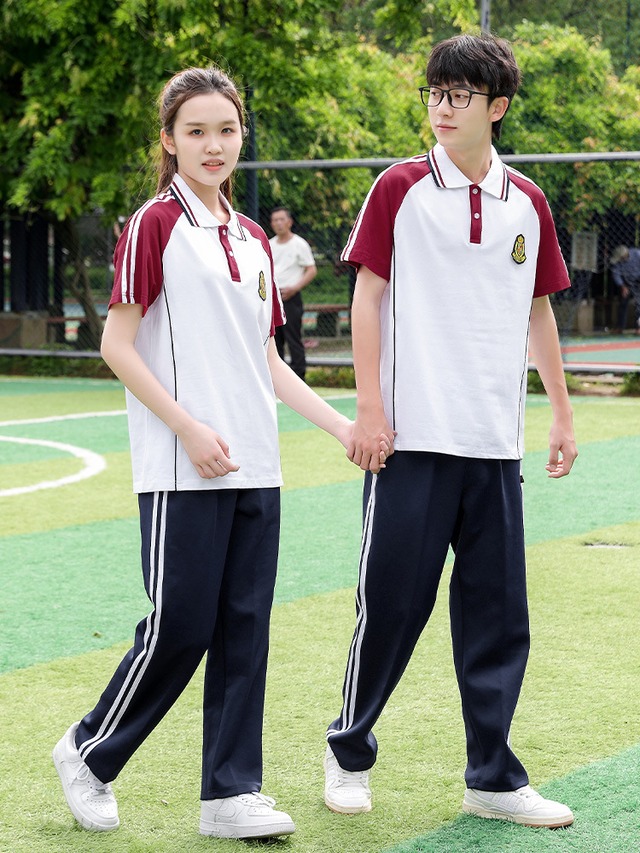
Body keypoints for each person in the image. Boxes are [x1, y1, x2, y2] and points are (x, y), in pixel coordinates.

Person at [51, 65, 382, 841]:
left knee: (243, 627)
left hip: (256, 464)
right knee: (180, 625)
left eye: (226, 130)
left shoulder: (253, 238)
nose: (213, 144)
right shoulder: (154, 224)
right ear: (169, 140)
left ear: (241, 136)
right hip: (181, 466)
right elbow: (116, 343)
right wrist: (188, 428)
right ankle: (89, 751)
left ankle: (231, 792)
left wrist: (339, 427)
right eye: (195, 130)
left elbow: (267, 361)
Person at [323, 33, 578, 830]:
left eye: (459, 95)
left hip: (494, 445)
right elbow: (368, 297)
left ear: (496, 107)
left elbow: (538, 310)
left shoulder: (527, 201)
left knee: (499, 618)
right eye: (435, 92)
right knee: (391, 606)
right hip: (411, 443)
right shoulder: (399, 188)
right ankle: (348, 752)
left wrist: (562, 410)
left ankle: (493, 778)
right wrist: (370, 407)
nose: (442, 107)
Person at [269, 207, 317, 380]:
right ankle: (278, 381)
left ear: (289, 222)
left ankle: (299, 379)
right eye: (275, 220)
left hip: (291, 299)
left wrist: (295, 288)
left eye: (282, 219)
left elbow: (311, 270)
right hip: (272, 300)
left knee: (293, 339)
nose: (278, 223)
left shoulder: (299, 244)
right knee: (274, 342)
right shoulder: (269, 244)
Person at [610, 244, 640, 334]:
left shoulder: (637, 254)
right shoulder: (618, 262)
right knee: (623, 303)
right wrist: (622, 286)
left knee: (639, 304)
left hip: (638, 281)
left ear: (624, 255)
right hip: (626, 282)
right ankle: (620, 327)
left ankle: (638, 327)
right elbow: (616, 274)